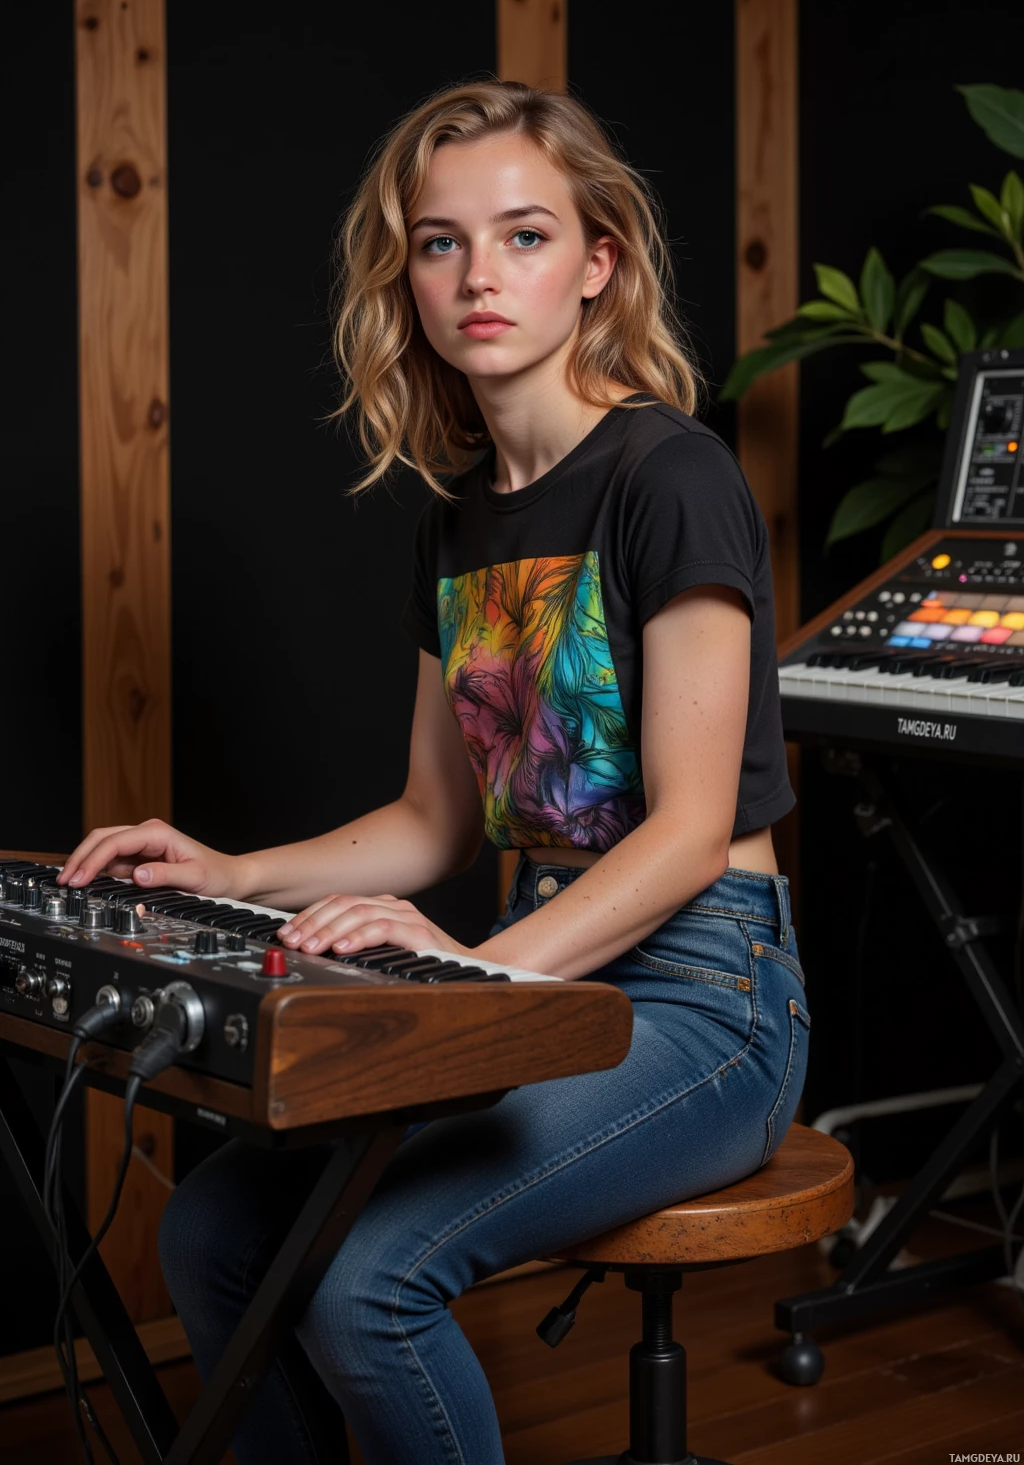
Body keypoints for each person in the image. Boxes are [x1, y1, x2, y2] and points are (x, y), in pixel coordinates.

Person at [58, 79, 808, 1465]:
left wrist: (476, 980)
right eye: (439, 241)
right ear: (404, 275)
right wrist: (229, 871)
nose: (478, 275)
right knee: (215, 1229)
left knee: (367, 1286)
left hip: (710, 999)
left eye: (525, 236)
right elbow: (430, 820)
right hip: (547, 977)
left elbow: (695, 831)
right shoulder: (455, 526)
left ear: (599, 265)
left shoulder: (670, 474)